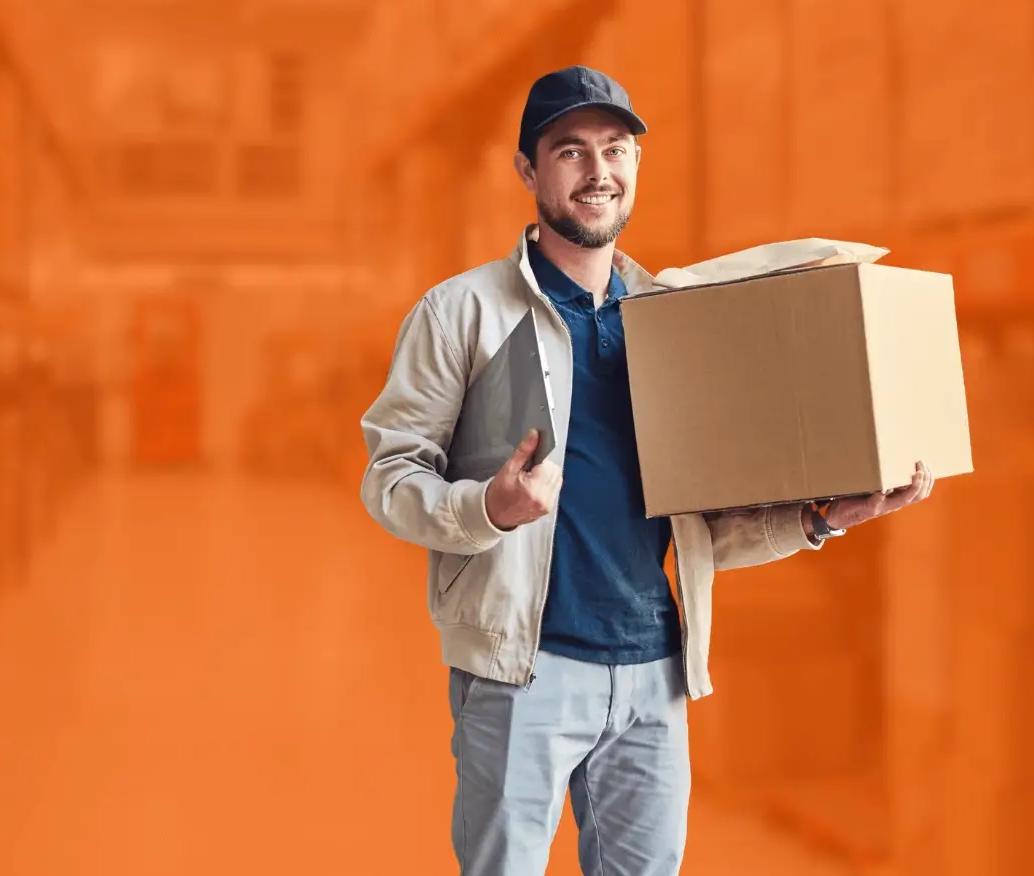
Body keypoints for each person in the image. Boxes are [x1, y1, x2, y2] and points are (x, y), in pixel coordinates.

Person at [359, 65, 934, 876]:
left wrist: (821, 519)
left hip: (654, 676)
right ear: (527, 170)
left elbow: (699, 523)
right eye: (570, 151)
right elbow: (390, 479)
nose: (599, 171)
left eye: (616, 149)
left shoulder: (672, 323)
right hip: (526, 672)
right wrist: (488, 506)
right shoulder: (463, 313)